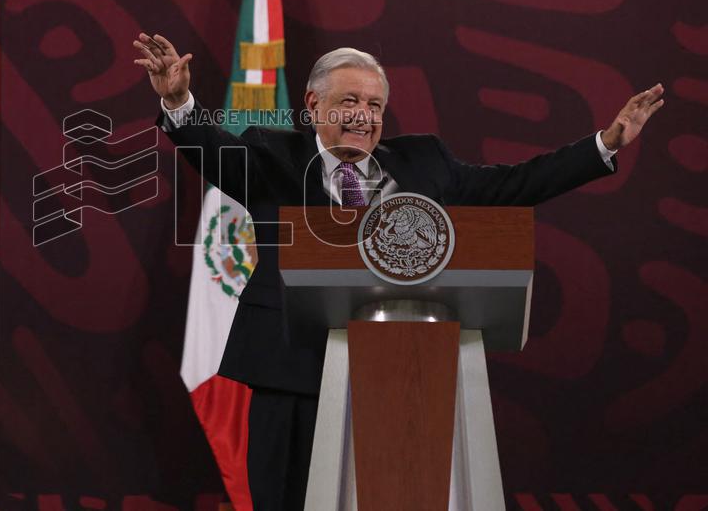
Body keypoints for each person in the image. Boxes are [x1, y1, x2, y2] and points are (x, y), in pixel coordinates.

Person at [134, 32, 664, 511]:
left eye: (374, 105)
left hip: (402, 372)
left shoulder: (423, 162)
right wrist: (179, 102)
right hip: (289, 371)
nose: (363, 116)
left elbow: (514, 184)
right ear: (314, 105)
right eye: (349, 101)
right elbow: (216, 154)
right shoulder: (272, 153)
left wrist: (606, 143)